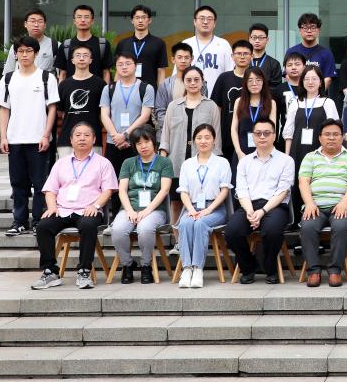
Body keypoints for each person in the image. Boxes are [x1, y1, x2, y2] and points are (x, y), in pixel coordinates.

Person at [31, 122, 117, 290]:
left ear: (94, 139)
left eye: (86, 135)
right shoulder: (61, 163)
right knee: (43, 226)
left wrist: (96, 205)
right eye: (78, 135)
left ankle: (84, 271)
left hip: (88, 210)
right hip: (63, 210)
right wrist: (52, 207)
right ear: (71, 140)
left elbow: (108, 190)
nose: (82, 138)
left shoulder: (103, 163)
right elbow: (50, 190)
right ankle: (50, 272)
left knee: (88, 225)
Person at [0, 36, 60, 236]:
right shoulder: (8, 79)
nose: (24, 55)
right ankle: (19, 221)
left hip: (38, 139)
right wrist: (3, 137)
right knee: (18, 183)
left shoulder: (46, 78)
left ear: (36, 53)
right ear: (15, 54)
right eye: (21, 51)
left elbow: (52, 108)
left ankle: (39, 221)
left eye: (29, 51)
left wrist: (46, 135)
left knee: (40, 183)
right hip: (14, 139)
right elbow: (4, 109)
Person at [225, 118, 293, 284]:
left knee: (272, 231)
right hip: (249, 206)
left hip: (275, 206)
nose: (262, 137)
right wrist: (250, 211)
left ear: (274, 135)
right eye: (258, 133)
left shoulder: (286, 160)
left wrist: (262, 212)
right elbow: (241, 190)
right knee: (232, 231)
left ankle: (269, 268)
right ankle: (249, 267)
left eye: (266, 133)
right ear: (253, 136)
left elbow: (282, 191)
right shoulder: (244, 162)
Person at [298, 119, 347, 288]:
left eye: (336, 134)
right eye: (327, 134)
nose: (331, 138)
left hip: (341, 205)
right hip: (315, 206)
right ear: (320, 137)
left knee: (340, 227)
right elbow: (303, 182)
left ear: (342, 137)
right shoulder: (310, 157)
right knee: (307, 227)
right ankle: (314, 271)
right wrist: (309, 203)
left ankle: (335, 270)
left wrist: (344, 202)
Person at [110, 126, 173, 284]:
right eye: (139, 143)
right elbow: (122, 190)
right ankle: (128, 264)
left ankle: (146, 265)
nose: (143, 146)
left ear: (153, 142)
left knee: (145, 228)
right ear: (134, 146)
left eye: (146, 141)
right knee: (117, 230)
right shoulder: (128, 163)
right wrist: (130, 210)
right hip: (129, 209)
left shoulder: (164, 162)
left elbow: (164, 190)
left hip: (155, 210)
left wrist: (147, 210)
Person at [175, 123, 231, 289]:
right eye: (199, 138)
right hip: (192, 206)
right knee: (184, 223)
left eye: (207, 137)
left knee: (200, 223)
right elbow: (183, 191)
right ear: (194, 141)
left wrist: (208, 210)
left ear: (214, 140)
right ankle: (187, 269)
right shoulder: (187, 164)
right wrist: (191, 209)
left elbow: (224, 191)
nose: (203, 141)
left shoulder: (222, 162)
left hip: (215, 208)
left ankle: (198, 269)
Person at [99, 52, 155, 176]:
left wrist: (124, 135)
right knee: (112, 180)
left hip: (137, 142)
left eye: (128, 63)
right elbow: (104, 115)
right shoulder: (109, 88)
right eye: (120, 64)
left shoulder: (146, 88)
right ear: (116, 67)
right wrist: (116, 137)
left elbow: (145, 116)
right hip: (113, 142)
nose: (124, 67)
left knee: (137, 180)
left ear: (136, 66)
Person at [159, 66, 222, 177]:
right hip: (175, 165)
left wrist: (215, 166)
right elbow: (165, 138)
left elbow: (216, 140)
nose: (192, 83)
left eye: (196, 80)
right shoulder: (173, 106)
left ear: (202, 81)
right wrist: (162, 164)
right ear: (183, 82)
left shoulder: (212, 106)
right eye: (188, 80)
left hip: (204, 167)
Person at [283, 66, 340, 188]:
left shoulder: (328, 102)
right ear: (302, 82)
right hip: (297, 150)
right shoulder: (295, 102)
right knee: (298, 186)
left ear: (320, 82)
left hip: (320, 152)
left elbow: (335, 132)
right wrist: (287, 157)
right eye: (306, 79)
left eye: (314, 79)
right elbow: (288, 133)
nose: (310, 82)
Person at [56, 44, 105, 159]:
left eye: (85, 55)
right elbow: (60, 113)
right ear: (72, 60)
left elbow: (103, 113)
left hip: (93, 140)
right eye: (78, 55)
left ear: (91, 60)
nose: (81, 58)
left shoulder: (100, 84)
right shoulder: (63, 85)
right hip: (67, 140)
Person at [210, 39, 252, 165]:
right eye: (238, 53)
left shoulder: (256, 78)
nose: (242, 57)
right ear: (232, 56)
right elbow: (216, 107)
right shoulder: (224, 78)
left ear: (251, 56)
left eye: (246, 53)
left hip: (250, 134)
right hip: (226, 134)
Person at [114, 4, 167, 90]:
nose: (140, 20)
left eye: (144, 17)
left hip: (149, 90)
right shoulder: (123, 43)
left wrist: (161, 93)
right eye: (137, 17)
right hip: (125, 91)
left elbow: (161, 71)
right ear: (132, 20)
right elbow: (118, 70)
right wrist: (114, 91)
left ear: (149, 20)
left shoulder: (159, 43)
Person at [181, 5, 233, 93]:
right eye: (202, 18)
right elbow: (178, 73)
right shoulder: (186, 44)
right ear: (194, 21)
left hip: (217, 96)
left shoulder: (223, 44)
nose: (205, 22)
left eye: (209, 19)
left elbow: (230, 74)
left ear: (215, 23)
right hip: (189, 96)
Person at [55, 4, 112, 83]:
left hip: (96, 89)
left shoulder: (102, 44)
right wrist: (61, 89)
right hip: (71, 89)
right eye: (79, 17)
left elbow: (106, 72)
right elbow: (62, 74)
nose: (82, 20)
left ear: (92, 21)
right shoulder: (66, 45)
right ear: (74, 21)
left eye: (86, 17)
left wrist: (105, 90)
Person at [231, 67, 277, 164]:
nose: (254, 83)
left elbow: (272, 130)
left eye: (258, 80)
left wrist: (267, 152)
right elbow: (234, 129)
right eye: (250, 80)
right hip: (242, 152)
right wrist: (238, 152)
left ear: (263, 82)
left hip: (264, 152)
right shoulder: (239, 102)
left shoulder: (271, 103)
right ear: (245, 83)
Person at [154, 42, 201, 134]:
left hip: (193, 131)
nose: (183, 61)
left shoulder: (200, 83)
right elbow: (160, 111)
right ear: (173, 59)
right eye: (179, 57)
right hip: (170, 131)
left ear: (192, 59)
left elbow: (202, 108)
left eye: (186, 57)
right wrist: (173, 127)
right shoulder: (165, 84)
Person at [285, 12, 337, 86]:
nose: (309, 31)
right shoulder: (291, 51)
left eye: (313, 27)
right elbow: (287, 75)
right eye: (305, 28)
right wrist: (299, 90)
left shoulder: (326, 53)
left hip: (318, 92)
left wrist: (315, 91)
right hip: (296, 92)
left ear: (319, 30)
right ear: (300, 30)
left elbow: (328, 78)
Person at [2, 8, 58, 74]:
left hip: (46, 80)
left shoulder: (55, 45)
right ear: (25, 24)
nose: (36, 25)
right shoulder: (17, 46)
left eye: (40, 21)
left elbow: (61, 75)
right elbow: (8, 72)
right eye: (32, 21)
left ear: (45, 25)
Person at [247, 22, 283, 88]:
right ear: (249, 39)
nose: (257, 41)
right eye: (254, 37)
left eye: (261, 38)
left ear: (267, 40)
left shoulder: (274, 64)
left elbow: (276, 88)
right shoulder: (244, 61)